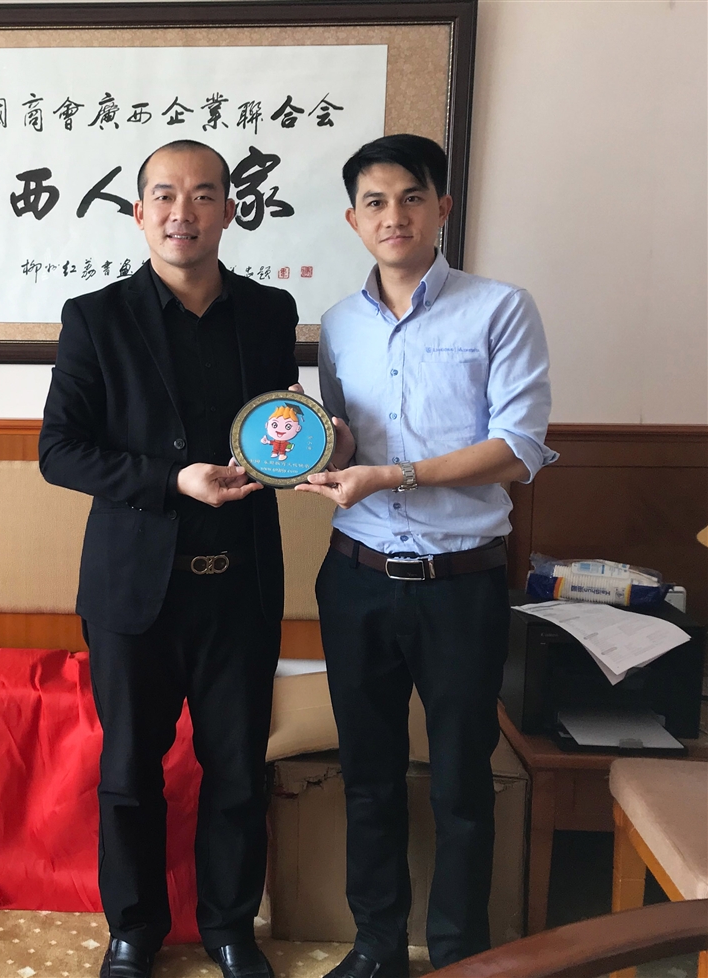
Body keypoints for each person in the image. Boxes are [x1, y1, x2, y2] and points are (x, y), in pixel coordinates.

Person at [295, 134, 557, 977]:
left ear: (441, 207)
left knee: (459, 783)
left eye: (411, 197)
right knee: (367, 776)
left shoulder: (499, 309)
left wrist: (393, 475)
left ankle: (457, 955)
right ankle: (377, 949)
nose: (393, 215)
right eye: (373, 202)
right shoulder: (338, 324)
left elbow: (517, 448)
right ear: (352, 220)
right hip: (356, 577)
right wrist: (316, 450)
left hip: (460, 584)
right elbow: (345, 441)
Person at [39, 139, 299, 978]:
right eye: (163, 195)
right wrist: (169, 480)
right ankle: (133, 930)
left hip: (241, 585)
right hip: (132, 591)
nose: (181, 211)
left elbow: (277, 428)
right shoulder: (96, 317)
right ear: (138, 212)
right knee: (128, 771)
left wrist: (310, 444)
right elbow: (59, 451)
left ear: (229, 209)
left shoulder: (268, 313)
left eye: (202, 195)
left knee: (237, 769)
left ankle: (229, 929)